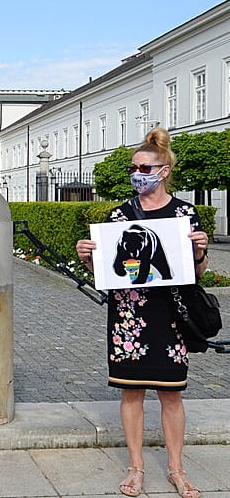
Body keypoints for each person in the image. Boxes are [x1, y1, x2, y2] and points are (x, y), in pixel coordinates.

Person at [75, 128, 208, 498]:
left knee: (171, 395)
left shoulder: (185, 213)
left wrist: (199, 250)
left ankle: (177, 469)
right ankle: (135, 468)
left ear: (163, 171)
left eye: (144, 168)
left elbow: (196, 273)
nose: (137, 174)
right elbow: (107, 273)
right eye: (134, 168)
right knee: (131, 392)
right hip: (128, 318)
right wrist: (89, 258)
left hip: (170, 315)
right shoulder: (120, 214)